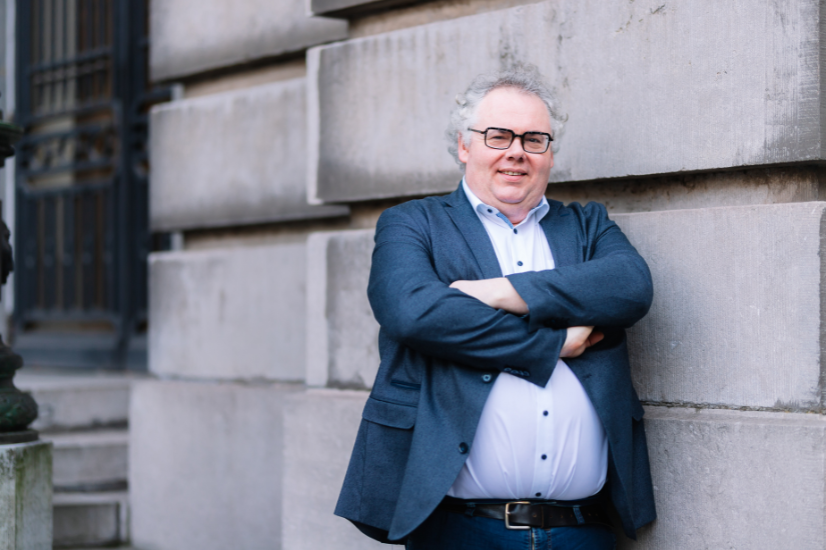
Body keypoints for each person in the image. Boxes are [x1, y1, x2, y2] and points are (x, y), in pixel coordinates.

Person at [334, 65, 656, 550]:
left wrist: (501, 292)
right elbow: (412, 311)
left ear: (549, 154)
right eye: (498, 136)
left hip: (582, 529)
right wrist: (551, 343)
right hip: (460, 529)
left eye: (534, 139)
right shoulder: (414, 224)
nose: (516, 152)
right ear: (465, 146)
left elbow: (631, 287)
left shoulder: (586, 227)